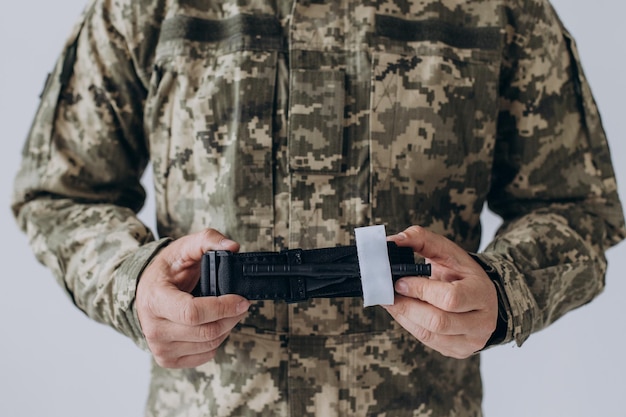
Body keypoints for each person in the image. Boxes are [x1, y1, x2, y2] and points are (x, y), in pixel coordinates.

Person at [11, 0, 625, 415]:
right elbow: (62, 191)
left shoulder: (501, 7)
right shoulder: (148, 7)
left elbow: (580, 207)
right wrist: (132, 280)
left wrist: (503, 289)